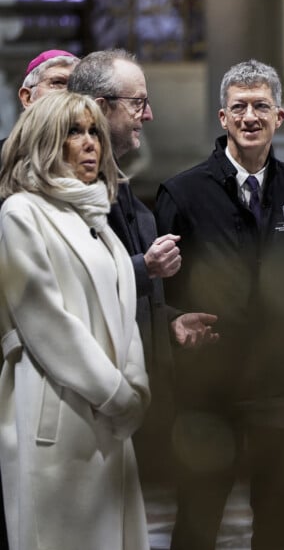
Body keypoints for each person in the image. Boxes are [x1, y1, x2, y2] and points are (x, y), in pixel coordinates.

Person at [156, 59, 284, 550]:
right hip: (211, 381)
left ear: (280, 117)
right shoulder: (183, 192)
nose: (250, 117)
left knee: (282, 509)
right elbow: (169, 288)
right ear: (222, 118)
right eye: (239, 108)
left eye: (260, 107)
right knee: (200, 509)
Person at [0, 90, 150, 549]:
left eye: (94, 133)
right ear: (46, 141)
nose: (90, 144)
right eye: (73, 133)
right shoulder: (22, 213)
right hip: (59, 404)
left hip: (111, 411)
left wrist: (134, 383)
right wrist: (113, 392)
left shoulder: (96, 217)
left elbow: (123, 310)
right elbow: (46, 320)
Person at [67, 49, 219, 480]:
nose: (148, 115)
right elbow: (69, 287)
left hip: (138, 397)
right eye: (137, 103)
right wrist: (144, 267)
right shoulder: (67, 194)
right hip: (92, 404)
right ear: (100, 107)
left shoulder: (121, 187)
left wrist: (167, 321)